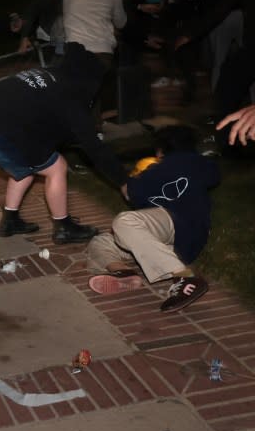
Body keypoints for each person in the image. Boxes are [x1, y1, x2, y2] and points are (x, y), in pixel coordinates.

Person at [0, 42, 128, 244]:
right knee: (56, 167)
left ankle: (10, 220)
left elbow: (41, 118)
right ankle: (64, 227)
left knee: (29, 163)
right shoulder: (71, 97)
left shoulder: (49, 74)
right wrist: (122, 181)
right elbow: (95, 148)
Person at [87, 125, 220, 312]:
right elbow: (214, 177)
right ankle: (123, 273)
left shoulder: (155, 170)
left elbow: (131, 195)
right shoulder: (204, 164)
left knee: (124, 222)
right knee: (101, 242)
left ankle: (184, 276)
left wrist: (133, 180)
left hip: (179, 225)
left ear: (160, 150)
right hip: (181, 241)